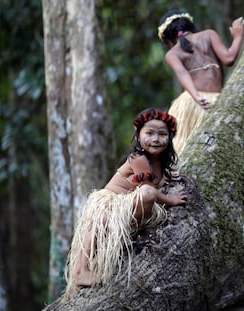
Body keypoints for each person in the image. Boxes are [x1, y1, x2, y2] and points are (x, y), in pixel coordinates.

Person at [62, 108, 187, 301]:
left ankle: (122, 235)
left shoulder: (159, 162)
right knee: (107, 216)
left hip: (129, 208)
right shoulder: (138, 158)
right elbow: (149, 190)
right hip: (111, 204)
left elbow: (156, 183)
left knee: (142, 197)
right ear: (138, 135)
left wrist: (169, 177)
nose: (156, 139)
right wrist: (171, 200)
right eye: (150, 133)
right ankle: (81, 270)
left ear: (170, 138)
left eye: (162, 134)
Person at [158, 9, 244, 154]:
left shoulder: (172, 53)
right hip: (208, 101)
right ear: (190, 26)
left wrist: (197, 97)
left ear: (168, 39)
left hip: (194, 102)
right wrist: (238, 35)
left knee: (186, 147)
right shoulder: (209, 34)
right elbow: (229, 58)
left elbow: (182, 73)